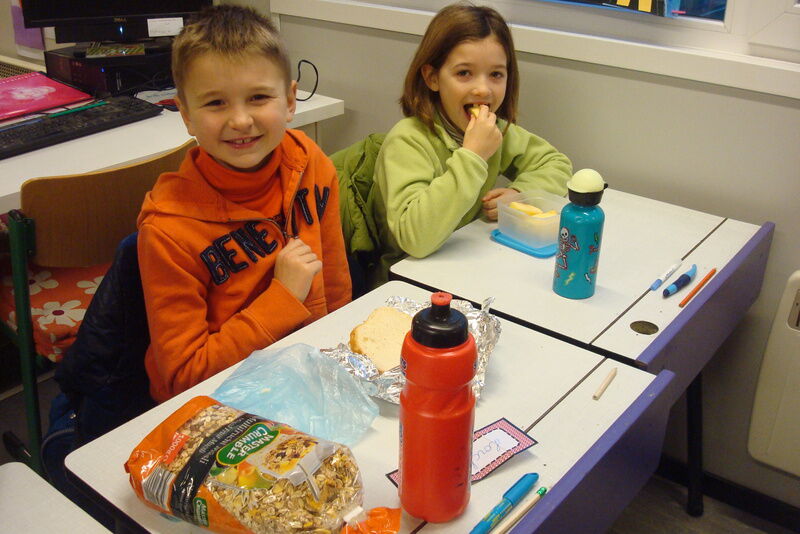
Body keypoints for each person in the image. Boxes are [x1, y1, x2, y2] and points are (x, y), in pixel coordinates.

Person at [137, 5, 351, 402]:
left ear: (290, 101)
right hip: (223, 400)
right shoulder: (168, 232)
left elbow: (335, 282)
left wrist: (335, 355)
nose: (239, 120)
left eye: (258, 97)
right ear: (186, 114)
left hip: (305, 373)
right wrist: (283, 298)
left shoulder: (312, 164)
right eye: (216, 103)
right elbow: (184, 378)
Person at [371, 2, 572, 283]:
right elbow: (415, 239)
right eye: (464, 73)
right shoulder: (407, 140)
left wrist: (519, 194)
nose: (482, 89)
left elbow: (556, 163)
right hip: (410, 278)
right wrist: (473, 156)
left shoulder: (496, 130)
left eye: (496, 74)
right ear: (432, 78)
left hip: (470, 266)